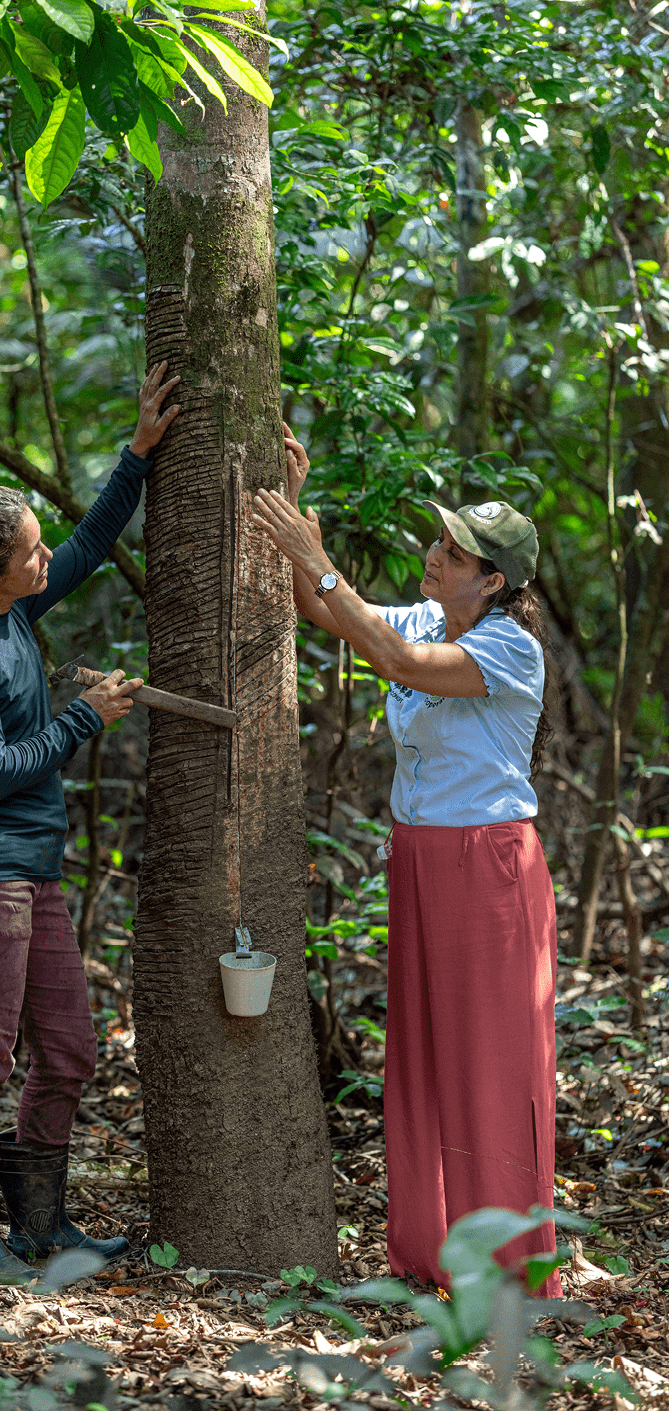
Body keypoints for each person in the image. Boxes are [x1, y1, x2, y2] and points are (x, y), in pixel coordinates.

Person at [252, 423, 561, 1300]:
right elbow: (334, 612)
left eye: (455, 551)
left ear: (493, 580)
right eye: (438, 539)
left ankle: (505, 1267)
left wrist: (314, 556)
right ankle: (432, 1248)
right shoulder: (432, 610)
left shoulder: (510, 648)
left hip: (489, 867)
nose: (434, 555)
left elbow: (394, 659)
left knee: (489, 1059)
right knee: (422, 1051)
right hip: (422, 860)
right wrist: (297, 508)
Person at [0, 361, 180, 1282]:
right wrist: (84, 716)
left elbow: (91, 543)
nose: (42, 559)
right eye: (26, 554)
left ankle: (39, 1225)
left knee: (66, 1048)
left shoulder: (15, 606)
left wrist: (138, 453)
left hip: (31, 870)